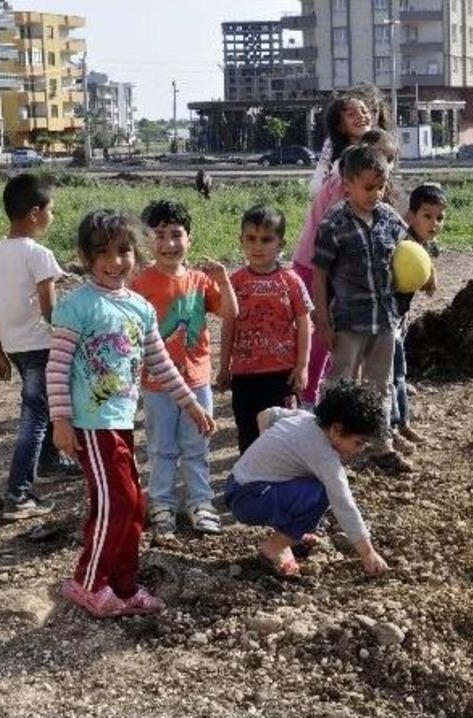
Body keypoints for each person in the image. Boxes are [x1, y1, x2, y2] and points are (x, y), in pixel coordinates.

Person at [47, 209, 216, 618]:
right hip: (89, 425)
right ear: (87, 258)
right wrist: (61, 421)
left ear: (135, 253)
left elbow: (160, 363)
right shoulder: (77, 306)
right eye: (102, 252)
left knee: (133, 506)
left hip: (120, 422)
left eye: (123, 250)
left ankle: (124, 586)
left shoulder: (140, 308)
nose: (115, 260)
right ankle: (87, 584)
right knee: (117, 503)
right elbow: (57, 367)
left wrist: (191, 403)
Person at [130, 199, 237, 540]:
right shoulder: (139, 283)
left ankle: (200, 502)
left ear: (189, 237)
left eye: (176, 234)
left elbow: (231, 313)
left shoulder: (200, 280)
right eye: (159, 235)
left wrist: (222, 278)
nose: (168, 244)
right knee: (161, 447)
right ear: (148, 241)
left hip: (197, 379)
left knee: (197, 445)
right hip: (157, 381)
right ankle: (162, 503)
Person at [224, 380, 390, 578]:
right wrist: (368, 553)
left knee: (304, 487)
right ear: (336, 429)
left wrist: (266, 444)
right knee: (320, 494)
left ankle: (291, 534)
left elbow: (267, 415)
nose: (360, 449)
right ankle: (274, 549)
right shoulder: (323, 455)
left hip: (236, 484)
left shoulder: (304, 417)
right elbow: (344, 503)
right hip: (250, 499)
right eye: (358, 442)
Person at [312, 144, 411, 473]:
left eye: (380, 187)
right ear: (347, 185)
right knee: (340, 383)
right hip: (349, 320)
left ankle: (380, 445)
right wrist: (323, 321)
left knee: (379, 385)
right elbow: (320, 273)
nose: (375, 194)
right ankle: (330, 445)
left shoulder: (387, 218)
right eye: (368, 187)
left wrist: (426, 272)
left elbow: (410, 251)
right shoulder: (334, 222)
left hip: (383, 318)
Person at [0, 173, 75, 521]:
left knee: (44, 404)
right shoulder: (38, 254)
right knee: (34, 416)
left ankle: (50, 461)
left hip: (15, 345)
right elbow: (51, 310)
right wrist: (75, 335)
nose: (52, 217)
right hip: (40, 345)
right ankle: (18, 494)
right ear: (35, 213)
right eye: (51, 210)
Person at [293, 94, 371, 405]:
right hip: (322, 258)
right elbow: (335, 217)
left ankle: (318, 392)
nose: (360, 116)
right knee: (324, 331)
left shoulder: (362, 156)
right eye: (351, 113)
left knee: (334, 331)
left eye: (365, 110)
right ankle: (309, 397)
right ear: (340, 123)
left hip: (328, 257)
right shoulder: (345, 164)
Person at [216, 205, 313, 454]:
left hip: (281, 372)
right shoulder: (235, 282)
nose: (257, 246)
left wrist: (302, 366)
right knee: (247, 431)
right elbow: (229, 323)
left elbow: (304, 323)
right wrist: (224, 365)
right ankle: (250, 485)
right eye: (251, 239)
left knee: (279, 433)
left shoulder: (290, 280)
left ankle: (277, 484)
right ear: (241, 241)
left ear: (280, 243)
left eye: (266, 240)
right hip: (245, 373)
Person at [391, 183, 446, 454]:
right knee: (392, 375)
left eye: (439, 218)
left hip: (399, 321)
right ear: (411, 216)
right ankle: (393, 427)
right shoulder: (402, 243)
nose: (434, 223)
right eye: (427, 216)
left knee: (400, 373)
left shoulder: (420, 245)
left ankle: (403, 422)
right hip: (387, 321)